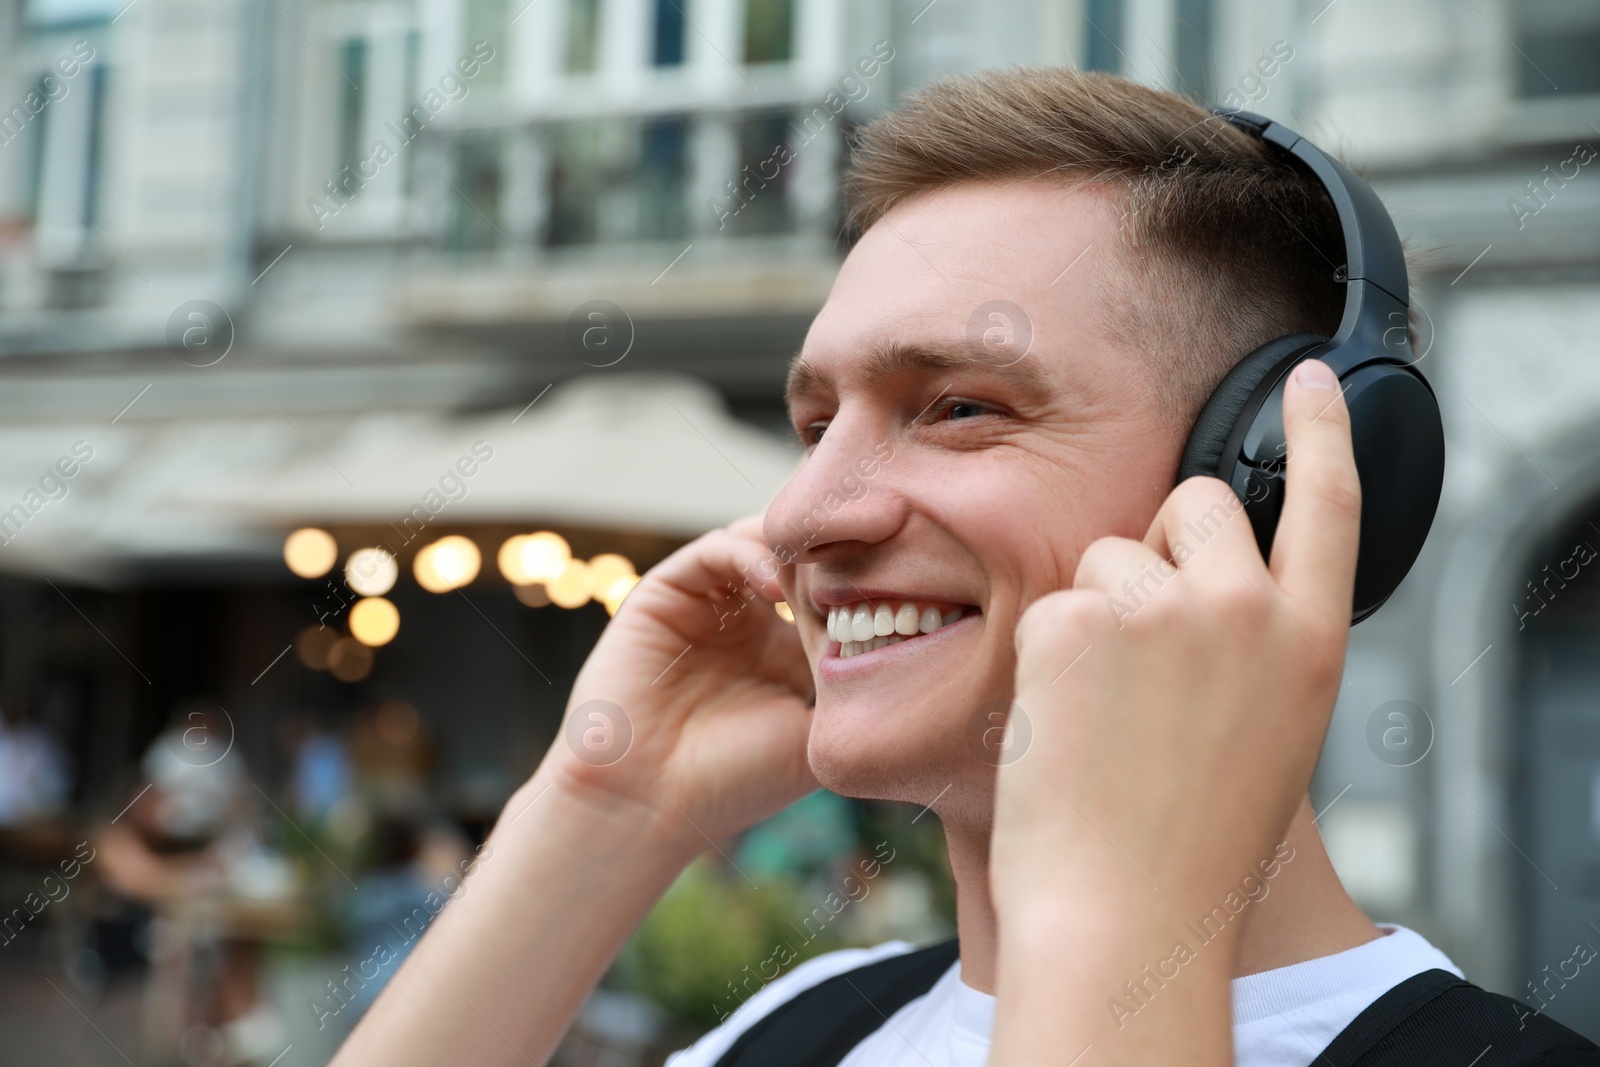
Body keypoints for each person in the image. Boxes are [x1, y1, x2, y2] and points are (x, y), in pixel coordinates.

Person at [328, 69, 1600, 1066]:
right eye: (814, 423)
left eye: (957, 407)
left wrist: (1111, 916)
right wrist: (603, 809)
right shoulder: (797, 1031)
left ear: (1262, 480)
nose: (798, 515)